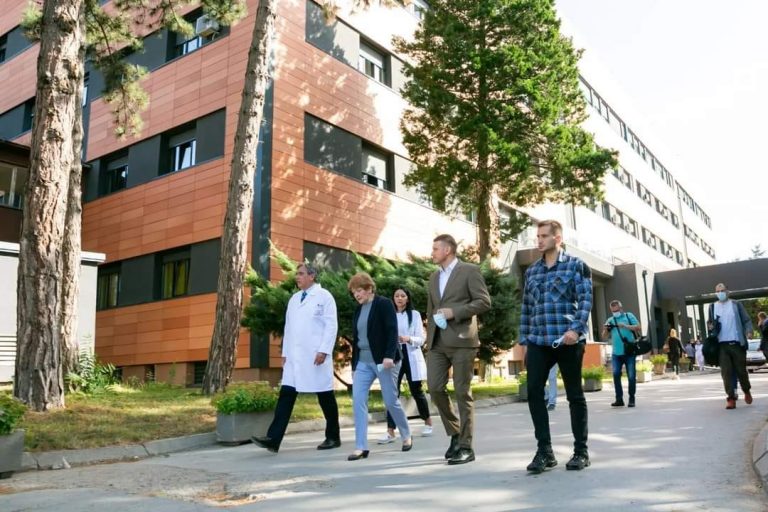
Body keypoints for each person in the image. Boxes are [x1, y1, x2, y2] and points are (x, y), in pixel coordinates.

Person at [520, 220, 593, 473]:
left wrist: (576, 329)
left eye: (544, 236)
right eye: (538, 236)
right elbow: (526, 308)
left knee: (574, 394)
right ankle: (545, 451)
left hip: (567, 340)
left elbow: (586, 299)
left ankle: (581, 451)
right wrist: (525, 340)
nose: (539, 240)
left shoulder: (576, 265)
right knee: (533, 391)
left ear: (557, 239)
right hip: (539, 340)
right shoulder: (532, 271)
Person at [252, 263, 340, 453]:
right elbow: (289, 328)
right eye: (296, 274)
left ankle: (333, 436)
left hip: (315, 355)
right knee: (286, 394)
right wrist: (285, 353)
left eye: (300, 274)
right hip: (294, 357)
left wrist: (324, 350)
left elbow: (331, 326)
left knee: (325, 395)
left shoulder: (324, 296)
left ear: (312, 276)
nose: (297, 277)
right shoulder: (294, 299)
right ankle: (273, 439)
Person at [426, 234, 491, 465]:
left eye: (435, 249)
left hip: (463, 340)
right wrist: (429, 338)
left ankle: (465, 447)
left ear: (448, 250)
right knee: (434, 388)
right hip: (437, 342)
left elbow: (484, 301)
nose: (432, 252)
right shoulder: (434, 276)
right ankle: (455, 431)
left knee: (462, 393)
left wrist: (455, 312)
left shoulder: (469, 271)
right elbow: (431, 309)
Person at [347, 272, 412, 460]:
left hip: (384, 361)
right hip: (363, 362)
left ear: (369, 289)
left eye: (359, 291)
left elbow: (392, 331)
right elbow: (357, 339)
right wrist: (354, 365)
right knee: (358, 400)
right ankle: (361, 447)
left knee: (390, 401)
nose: (356, 295)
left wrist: (389, 356)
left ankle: (406, 434)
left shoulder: (383, 304)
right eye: (354, 292)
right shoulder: (358, 310)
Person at [379, 287, 433, 444]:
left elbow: (421, 339)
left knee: (416, 390)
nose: (399, 298)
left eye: (403, 296)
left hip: (410, 354)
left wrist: (408, 339)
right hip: (394, 355)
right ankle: (390, 431)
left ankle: (428, 422)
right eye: (396, 296)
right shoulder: (390, 314)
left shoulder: (414, 315)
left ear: (407, 299)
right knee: (392, 393)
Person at [707, 283, 753, 410]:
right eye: (718, 291)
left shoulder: (736, 304)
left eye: (722, 290)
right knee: (726, 372)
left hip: (737, 343)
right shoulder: (712, 307)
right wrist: (711, 327)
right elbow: (710, 323)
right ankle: (731, 398)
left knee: (741, 371)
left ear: (727, 291)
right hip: (721, 345)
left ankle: (746, 390)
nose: (720, 293)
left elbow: (746, 320)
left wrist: (749, 331)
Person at [601, 300, 642, 407]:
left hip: (629, 352)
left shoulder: (629, 316)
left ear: (621, 308)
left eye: (616, 310)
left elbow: (638, 327)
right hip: (616, 353)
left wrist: (625, 326)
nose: (615, 313)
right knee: (615, 375)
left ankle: (631, 398)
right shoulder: (610, 320)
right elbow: (604, 336)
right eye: (613, 311)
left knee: (631, 376)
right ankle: (619, 399)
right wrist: (606, 329)